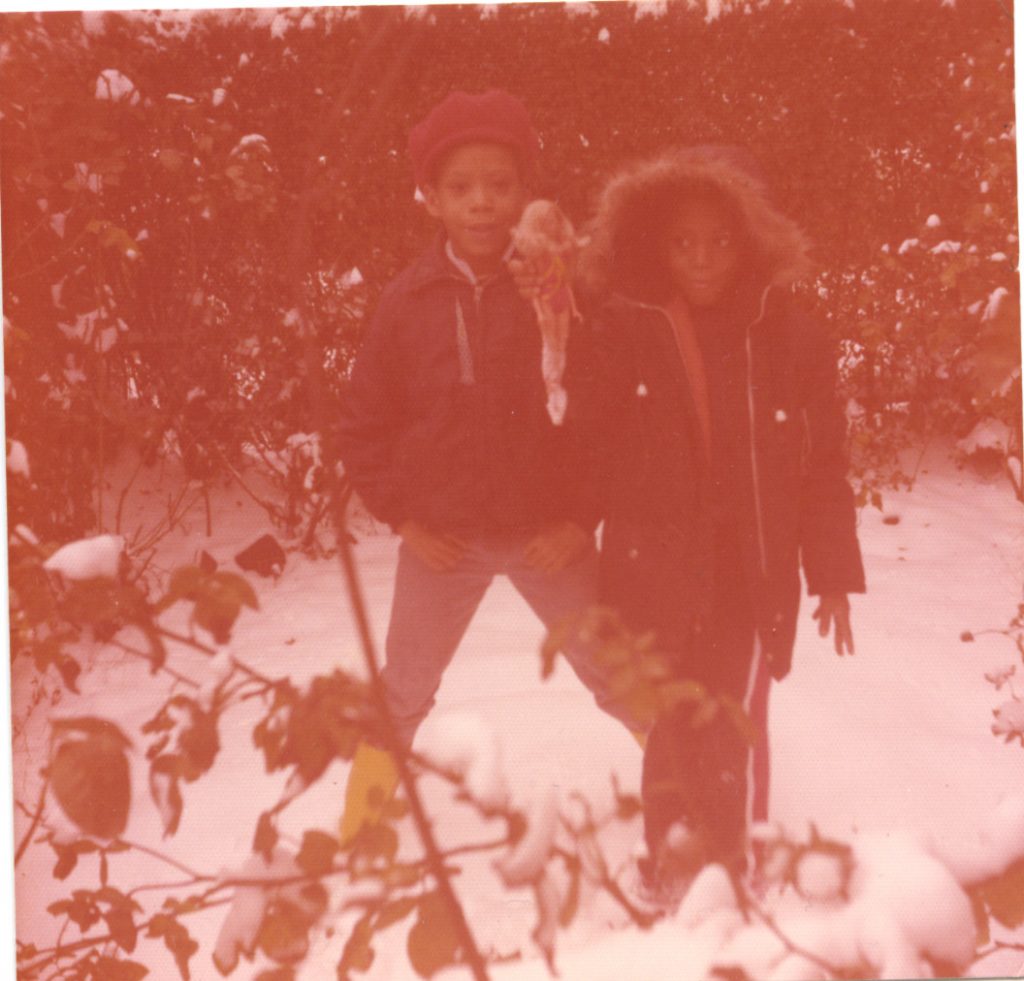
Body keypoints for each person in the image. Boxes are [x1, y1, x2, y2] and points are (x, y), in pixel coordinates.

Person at [334, 90, 636, 845]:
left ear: (526, 191)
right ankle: (361, 830)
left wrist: (580, 520)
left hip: (548, 537)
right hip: (444, 543)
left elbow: (606, 416)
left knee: (620, 675)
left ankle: (693, 799)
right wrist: (405, 520)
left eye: (500, 185)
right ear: (430, 197)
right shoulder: (405, 304)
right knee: (403, 687)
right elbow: (364, 426)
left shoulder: (560, 292)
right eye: (460, 187)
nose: (481, 203)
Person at [573, 146, 867, 895]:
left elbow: (822, 465)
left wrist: (832, 575)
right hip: (653, 564)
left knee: (733, 717)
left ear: (752, 241)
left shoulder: (791, 336)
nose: (701, 258)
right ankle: (670, 857)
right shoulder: (624, 329)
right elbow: (587, 439)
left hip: (747, 568)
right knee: (669, 715)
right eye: (682, 242)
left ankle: (734, 865)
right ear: (655, 247)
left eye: (720, 240)